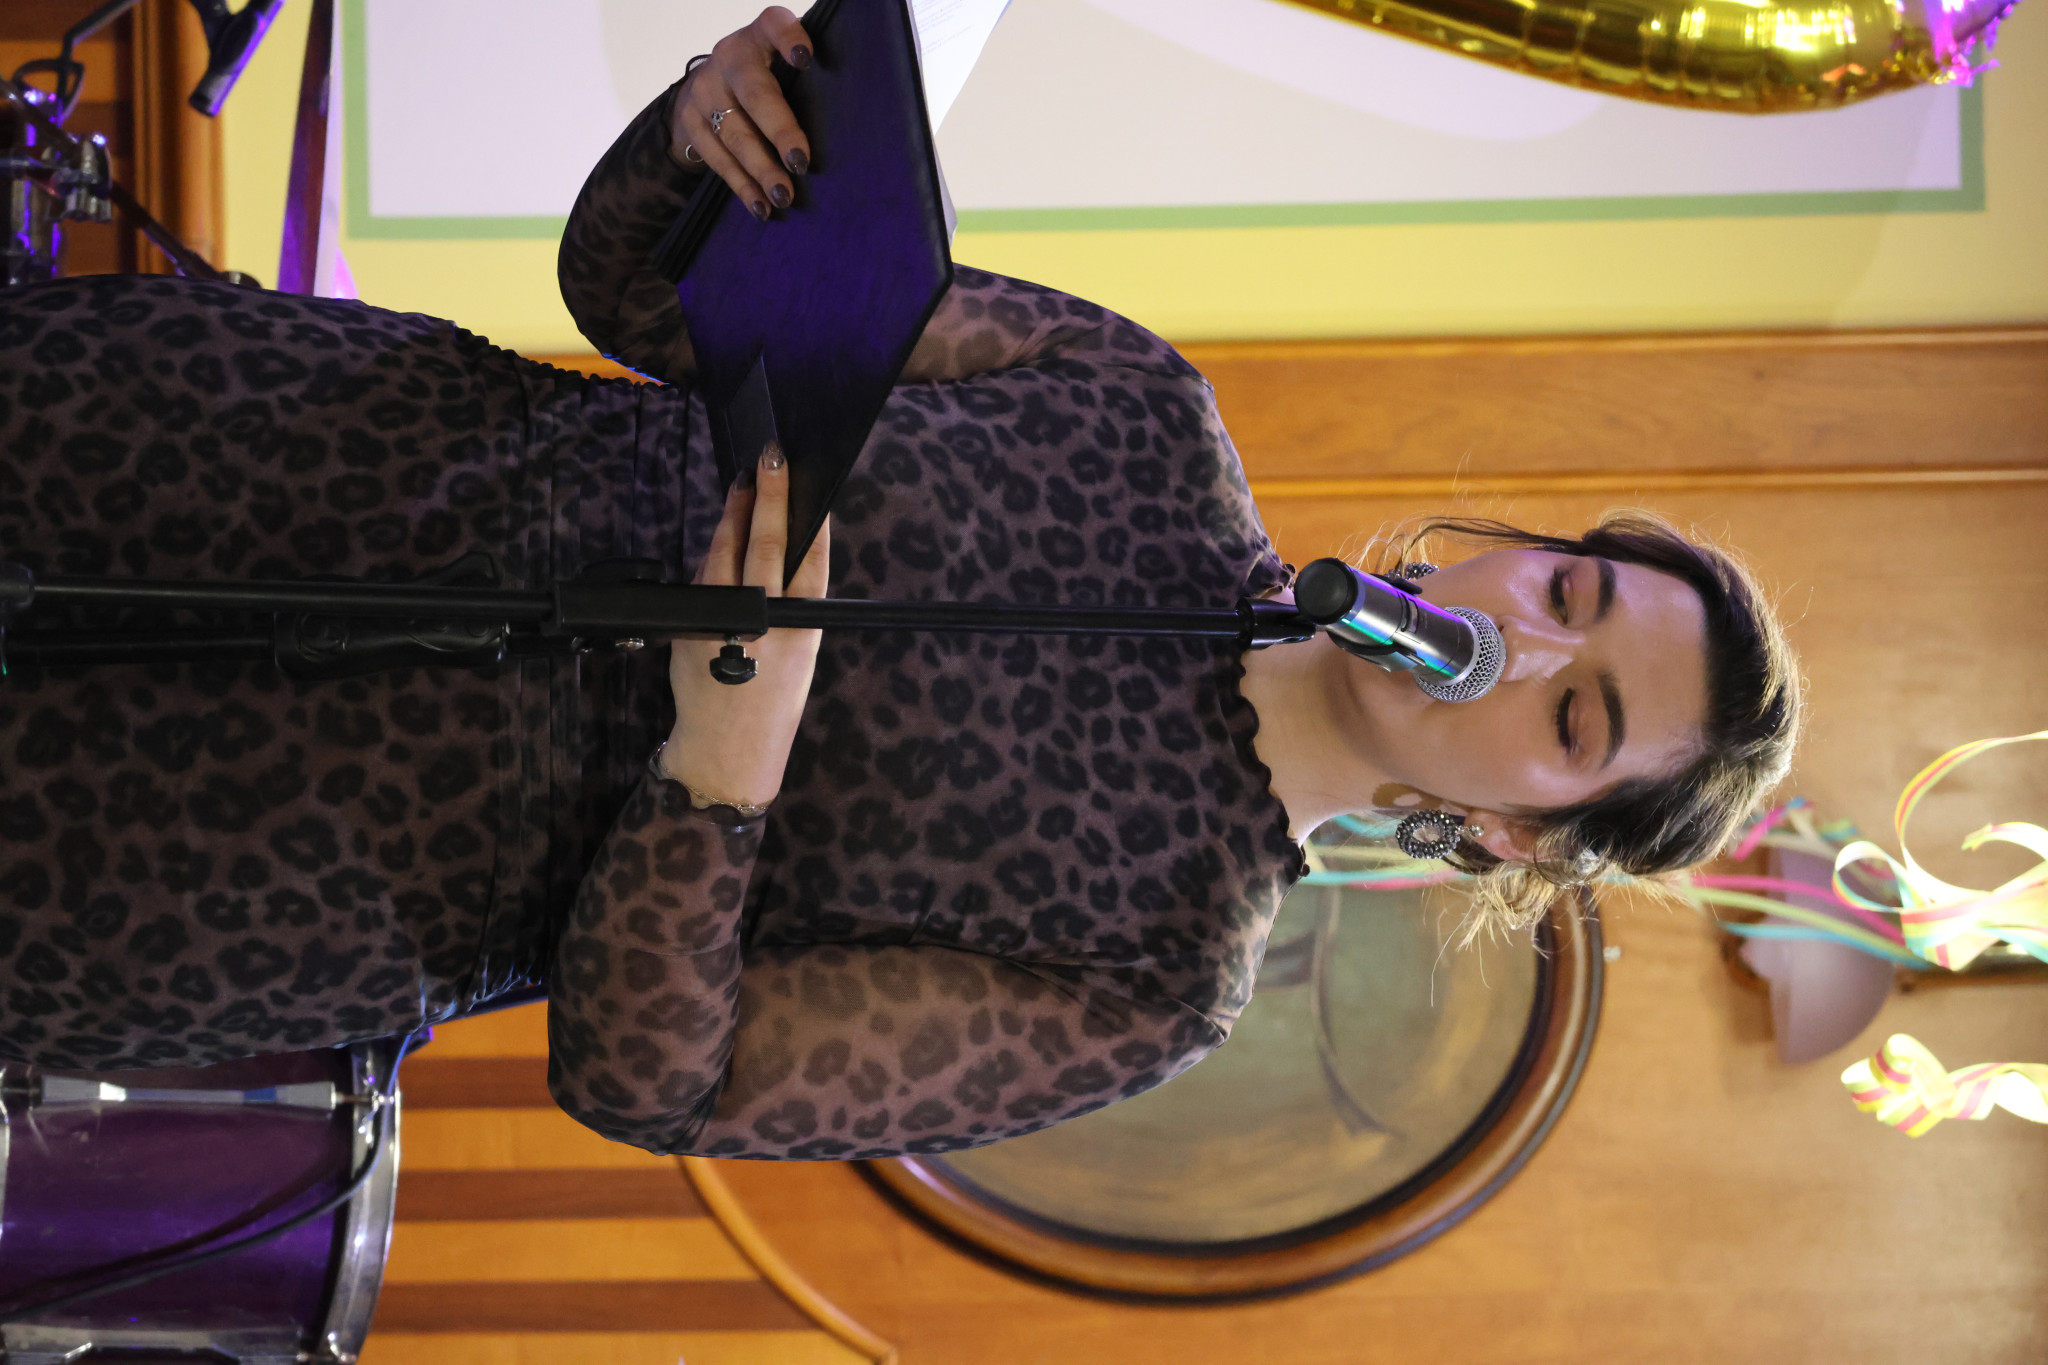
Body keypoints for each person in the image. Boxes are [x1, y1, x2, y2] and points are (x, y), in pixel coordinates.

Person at [0, 10, 1799, 1159]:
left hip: (260, 864)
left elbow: (654, 1077)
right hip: (284, 448)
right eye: (1569, 592)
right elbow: (642, 298)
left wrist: (719, 779)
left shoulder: (1162, 972)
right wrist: (710, 126)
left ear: (1515, 837)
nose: (1521, 641)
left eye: (1576, 716)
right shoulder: (1141, 407)